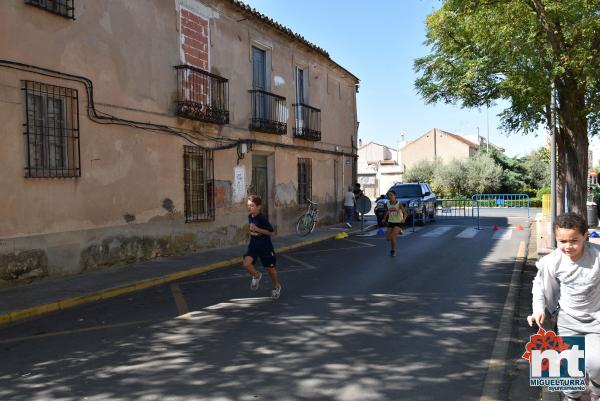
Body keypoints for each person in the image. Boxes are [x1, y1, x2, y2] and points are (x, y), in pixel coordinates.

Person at [527, 212, 600, 401]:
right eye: (562, 241)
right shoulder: (552, 261)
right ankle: (571, 397)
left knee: (597, 363)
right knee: (568, 370)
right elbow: (540, 287)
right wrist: (538, 310)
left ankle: (597, 392)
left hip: (596, 321)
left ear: (585, 235)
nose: (568, 246)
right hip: (567, 321)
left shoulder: (597, 257)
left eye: (574, 240)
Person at [242, 195, 282, 300]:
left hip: (265, 247)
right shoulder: (250, 216)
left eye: (252, 205)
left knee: (270, 270)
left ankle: (276, 286)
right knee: (246, 264)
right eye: (248, 205)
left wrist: (257, 229)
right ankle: (256, 275)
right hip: (254, 245)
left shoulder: (262, 218)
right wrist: (248, 233)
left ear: (259, 207)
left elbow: (271, 232)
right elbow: (251, 227)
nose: (249, 207)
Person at [382, 190, 407, 257]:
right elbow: (387, 211)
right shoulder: (387, 203)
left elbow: (405, 213)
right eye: (388, 195)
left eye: (391, 195)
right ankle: (393, 251)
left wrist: (404, 219)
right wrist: (384, 218)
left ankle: (400, 230)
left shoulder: (399, 204)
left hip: (398, 223)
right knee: (389, 239)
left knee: (391, 237)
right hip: (391, 222)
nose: (390, 197)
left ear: (395, 196)